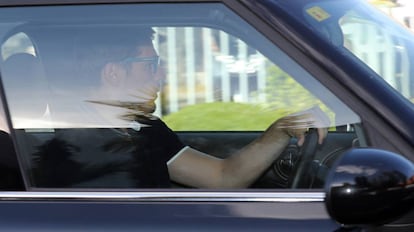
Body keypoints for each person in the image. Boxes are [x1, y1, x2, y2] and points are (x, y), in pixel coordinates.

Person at [43, 27, 329, 188]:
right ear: (114, 73)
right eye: (151, 65)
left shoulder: (145, 128)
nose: (161, 74)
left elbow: (222, 177)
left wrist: (278, 132)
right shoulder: (75, 145)